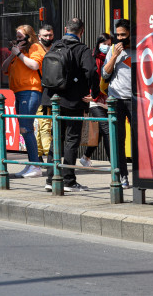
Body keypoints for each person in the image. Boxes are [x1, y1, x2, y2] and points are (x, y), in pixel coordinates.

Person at [43, 18, 99, 192]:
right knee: (72, 140)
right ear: (81, 31)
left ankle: (51, 179)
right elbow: (90, 71)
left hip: (53, 100)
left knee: (56, 139)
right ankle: (68, 180)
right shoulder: (82, 49)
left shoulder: (55, 46)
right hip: (74, 101)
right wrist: (94, 93)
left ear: (66, 29)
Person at [1, 25, 45, 178]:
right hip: (18, 93)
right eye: (17, 37)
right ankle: (31, 162)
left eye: (20, 38)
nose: (18, 40)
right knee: (24, 129)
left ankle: (35, 165)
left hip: (31, 91)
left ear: (29, 37)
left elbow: (34, 65)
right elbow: (4, 68)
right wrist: (13, 54)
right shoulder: (17, 52)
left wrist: (18, 53)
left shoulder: (35, 47)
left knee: (26, 128)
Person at [102, 19, 132, 189]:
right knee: (119, 139)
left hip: (135, 99)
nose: (120, 39)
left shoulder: (139, 49)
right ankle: (123, 176)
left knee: (138, 138)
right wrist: (114, 56)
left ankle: (143, 174)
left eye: (123, 35)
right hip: (116, 99)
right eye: (117, 35)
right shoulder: (113, 49)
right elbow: (105, 75)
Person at [80, 32, 113, 167]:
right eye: (104, 44)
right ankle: (114, 163)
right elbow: (87, 77)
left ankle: (86, 156)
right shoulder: (92, 58)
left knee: (99, 132)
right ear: (98, 44)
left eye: (110, 45)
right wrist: (90, 94)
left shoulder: (112, 58)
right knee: (106, 129)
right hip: (94, 100)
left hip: (108, 99)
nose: (107, 47)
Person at [35, 24, 55, 163]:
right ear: (39, 36)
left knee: (43, 125)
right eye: (45, 35)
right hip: (40, 92)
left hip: (51, 92)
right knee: (44, 126)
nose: (48, 38)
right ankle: (51, 157)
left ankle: (38, 155)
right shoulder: (35, 50)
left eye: (50, 35)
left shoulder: (55, 48)